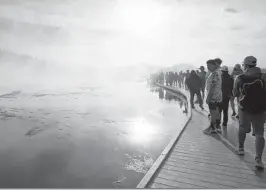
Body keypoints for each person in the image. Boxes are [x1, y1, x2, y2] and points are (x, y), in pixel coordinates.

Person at [233, 56, 266, 169]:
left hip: (244, 108)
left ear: (245, 66)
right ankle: (258, 160)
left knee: (242, 128)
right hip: (260, 110)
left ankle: (241, 148)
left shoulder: (240, 77)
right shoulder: (263, 76)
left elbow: (235, 93)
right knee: (259, 134)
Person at [204, 59, 223, 134]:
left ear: (214, 65)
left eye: (209, 66)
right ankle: (218, 127)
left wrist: (208, 98)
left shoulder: (214, 73)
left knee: (213, 113)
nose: (208, 67)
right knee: (217, 112)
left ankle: (212, 128)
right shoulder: (219, 72)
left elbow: (212, 86)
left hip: (213, 97)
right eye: (207, 66)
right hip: (218, 96)